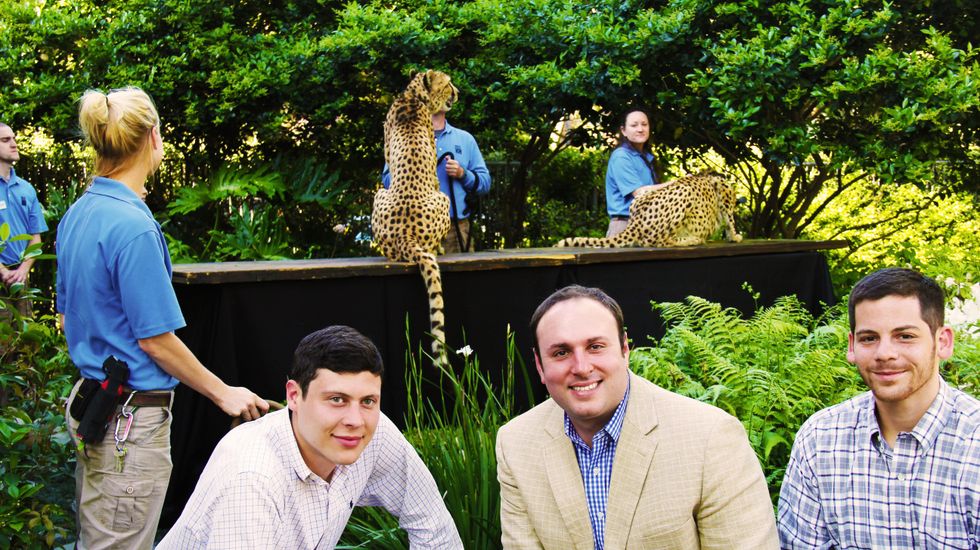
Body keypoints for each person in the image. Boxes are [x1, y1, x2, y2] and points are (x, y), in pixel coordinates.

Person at [57, 87, 269, 549]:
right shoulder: (132, 226)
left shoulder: (79, 212)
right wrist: (223, 392)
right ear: (154, 138)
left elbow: (66, 313)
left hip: (95, 407)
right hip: (128, 424)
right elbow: (155, 339)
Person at [496, 285, 778, 549]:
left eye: (595, 347)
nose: (581, 367)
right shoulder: (517, 444)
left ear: (624, 349)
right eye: (561, 352)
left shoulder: (710, 438)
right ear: (539, 365)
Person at [158, 325, 463, 548]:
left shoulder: (372, 432)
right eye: (336, 400)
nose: (355, 420)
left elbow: (435, 530)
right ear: (294, 395)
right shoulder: (252, 477)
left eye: (368, 401)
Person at [778, 267, 980, 548]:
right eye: (869, 338)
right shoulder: (820, 440)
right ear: (852, 346)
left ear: (942, 342)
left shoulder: (974, 444)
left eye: (905, 336)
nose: (885, 353)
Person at [381, 104, 491, 253]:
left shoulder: (465, 139)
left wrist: (462, 174)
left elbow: (485, 183)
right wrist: (412, 170)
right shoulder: (403, 138)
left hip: (456, 228)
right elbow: (387, 181)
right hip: (416, 227)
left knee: (461, 277)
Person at [0, 122, 48, 318]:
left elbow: (35, 239)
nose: (13, 144)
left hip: (20, 279)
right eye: (5, 140)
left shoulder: (26, 189)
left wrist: (23, 270)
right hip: (2, 275)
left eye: (14, 138)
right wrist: (2, 271)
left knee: (26, 344)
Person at [604, 108, 671, 238]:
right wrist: (677, 184)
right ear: (623, 131)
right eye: (634, 125)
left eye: (644, 124)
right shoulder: (621, 156)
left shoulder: (646, 156)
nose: (640, 129)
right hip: (625, 225)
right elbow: (640, 193)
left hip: (649, 225)